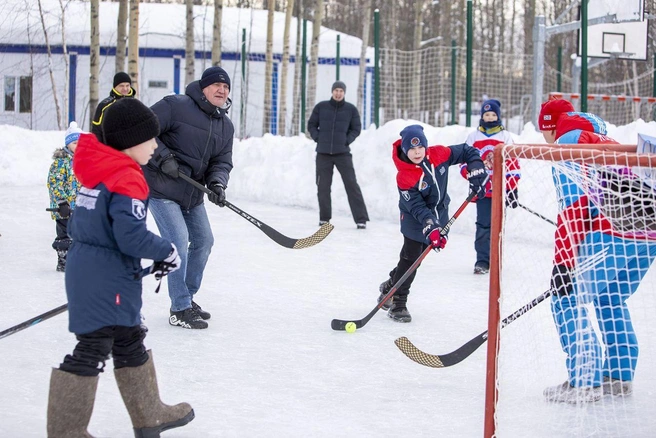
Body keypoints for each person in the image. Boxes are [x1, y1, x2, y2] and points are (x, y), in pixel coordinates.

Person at [47, 98, 194, 437]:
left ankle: (149, 414)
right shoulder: (126, 177)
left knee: (128, 339)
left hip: (93, 270)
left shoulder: (99, 171)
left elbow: (89, 228)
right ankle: (66, 430)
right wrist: (166, 250)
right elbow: (130, 235)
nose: (156, 145)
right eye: (150, 138)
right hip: (106, 278)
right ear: (130, 142)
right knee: (94, 346)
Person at [538, 98, 656, 403]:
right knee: (610, 297)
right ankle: (618, 376)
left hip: (613, 231)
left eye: (543, 131)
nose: (544, 139)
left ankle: (585, 381)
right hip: (648, 234)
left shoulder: (567, 142)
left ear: (550, 127)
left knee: (567, 298)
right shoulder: (605, 138)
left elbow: (575, 208)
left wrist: (562, 266)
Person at [144, 66, 234, 330]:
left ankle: (187, 296)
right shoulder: (176, 106)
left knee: (204, 241)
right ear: (203, 88)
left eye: (226, 87)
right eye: (217, 85)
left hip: (192, 193)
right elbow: (143, 128)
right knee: (178, 241)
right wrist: (163, 158)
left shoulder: (225, 126)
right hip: (161, 188)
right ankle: (179, 308)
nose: (222, 90)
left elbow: (222, 161)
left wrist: (217, 183)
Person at [377, 124, 488, 322]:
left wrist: (475, 168)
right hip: (414, 219)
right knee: (411, 258)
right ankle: (398, 303)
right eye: (411, 149)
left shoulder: (438, 154)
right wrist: (431, 226)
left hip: (439, 213)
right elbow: (418, 208)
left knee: (417, 258)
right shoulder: (404, 176)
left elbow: (466, 150)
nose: (417, 152)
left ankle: (390, 285)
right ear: (404, 149)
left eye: (420, 147)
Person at [461, 99, 520, 274]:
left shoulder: (505, 137)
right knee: (483, 225)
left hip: (500, 191)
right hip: (482, 191)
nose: (490, 117)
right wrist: (472, 176)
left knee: (498, 226)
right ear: (481, 117)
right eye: (486, 114)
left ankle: (496, 260)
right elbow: (464, 162)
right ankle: (482, 261)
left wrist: (511, 188)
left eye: (493, 114)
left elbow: (513, 163)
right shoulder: (474, 137)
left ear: (499, 116)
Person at [307, 80, 369, 229]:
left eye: (341, 91)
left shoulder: (351, 109)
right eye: (336, 90)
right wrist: (318, 138)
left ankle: (361, 219)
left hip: (343, 153)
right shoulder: (321, 107)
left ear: (344, 93)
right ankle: (324, 219)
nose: (338, 93)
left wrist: (347, 140)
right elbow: (311, 125)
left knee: (351, 185)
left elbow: (356, 128)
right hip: (323, 153)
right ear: (332, 91)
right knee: (323, 186)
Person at [46, 121, 83, 271]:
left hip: (79, 207)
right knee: (64, 235)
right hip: (63, 209)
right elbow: (54, 183)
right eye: (74, 143)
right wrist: (61, 202)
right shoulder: (60, 162)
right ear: (67, 145)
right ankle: (64, 260)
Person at [90, 71, 135, 139]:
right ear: (115, 86)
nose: (125, 89)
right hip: (109, 145)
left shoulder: (135, 104)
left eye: (127, 85)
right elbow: (96, 129)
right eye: (121, 86)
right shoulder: (104, 105)